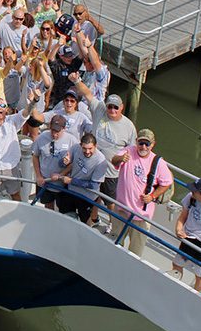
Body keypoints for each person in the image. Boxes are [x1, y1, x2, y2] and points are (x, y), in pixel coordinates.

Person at [74, 79, 136, 231]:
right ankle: (93, 218)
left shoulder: (128, 126)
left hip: (111, 171)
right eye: (110, 106)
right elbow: (87, 93)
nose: (112, 110)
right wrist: (76, 80)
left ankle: (113, 224)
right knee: (94, 195)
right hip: (92, 165)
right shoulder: (100, 109)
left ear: (121, 108)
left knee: (110, 200)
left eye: (116, 107)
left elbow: (132, 149)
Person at [109, 129, 173, 257]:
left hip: (141, 216)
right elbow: (114, 160)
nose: (143, 146)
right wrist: (121, 158)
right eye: (140, 142)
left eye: (147, 144)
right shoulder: (128, 150)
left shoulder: (158, 162)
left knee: (135, 253)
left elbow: (167, 182)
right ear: (136, 142)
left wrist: (152, 196)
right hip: (121, 209)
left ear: (153, 144)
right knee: (114, 245)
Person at [57, 133, 107, 223]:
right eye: (84, 148)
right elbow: (60, 164)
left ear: (96, 146)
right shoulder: (75, 148)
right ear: (80, 145)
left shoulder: (100, 161)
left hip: (87, 197)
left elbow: (94, 185)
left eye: (90, 148)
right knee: (65, 217)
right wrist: (64, 162)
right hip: (71, 191)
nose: (87, 152)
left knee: (86, 223)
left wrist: (71, 181)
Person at [31, 115, 77, 210]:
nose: (54, 134)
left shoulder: (72, 141)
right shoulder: (41, 137)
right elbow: (35, 156)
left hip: (63, 185)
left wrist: (61, 175)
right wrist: (38, 176)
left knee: (65, 210)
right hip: (45, 182)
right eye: (52, 130)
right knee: (48, 206)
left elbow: (76, 162)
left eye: (57, 131)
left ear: (64, 129)